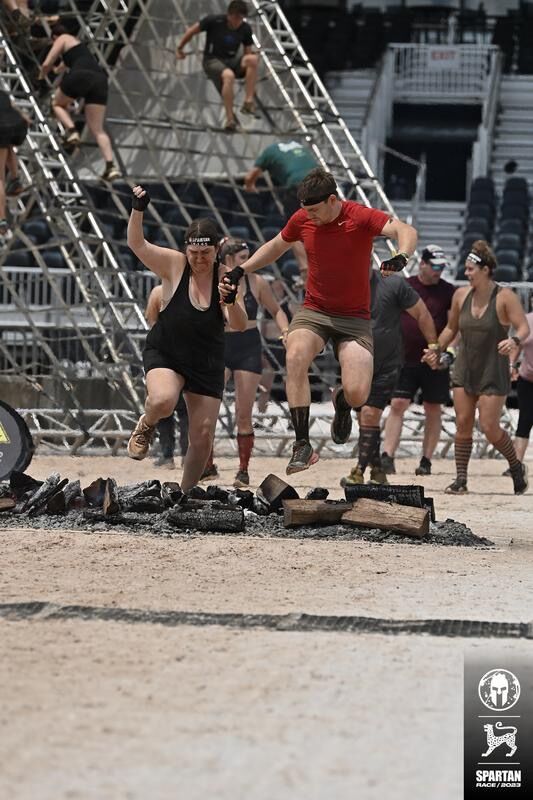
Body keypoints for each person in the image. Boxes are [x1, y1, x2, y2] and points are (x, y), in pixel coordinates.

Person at [221, 167, 418, 475]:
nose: (309, 216)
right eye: (305, 211)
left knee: (358, 394)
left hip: (354, 319)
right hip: (315, 310)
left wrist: (402, 256)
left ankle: (341, 402)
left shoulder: (359, 216)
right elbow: (275, 246)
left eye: (314, 210)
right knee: (295, 354)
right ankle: (302, 445)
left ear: (331, 200)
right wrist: (240, 270)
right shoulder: (303, 219)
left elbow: (406, 231)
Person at [126, 186, 248, 492]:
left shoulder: (227, 276)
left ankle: (184, 493)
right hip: (167, 352)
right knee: (163, 401)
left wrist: (230, 300)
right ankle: (146, 424)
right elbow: (136, 243)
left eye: (205, 253)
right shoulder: (174, 263)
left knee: (203, 434)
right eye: (193, 253)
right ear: (185, 249)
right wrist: (137, 209)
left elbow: (239, 324)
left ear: (218, 248)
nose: (199, 259)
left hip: (205, 361)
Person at [431, 241, 529, 495]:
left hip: (492, 370)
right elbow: (451, 329)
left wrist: (514, 341)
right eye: (466, 268)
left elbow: (523, 328)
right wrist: (435, 349)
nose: (466, 273)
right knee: (462, 423)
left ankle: (516, 466)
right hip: (465, 367)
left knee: (489, 427)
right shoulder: (461, 295)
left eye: (471, 268)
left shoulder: (505, 297)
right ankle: (461, 479)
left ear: (485, 270)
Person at [340, 266, 439, 486]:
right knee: (364, 420)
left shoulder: (393, 283)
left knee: (368, 415)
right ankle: (378, 471)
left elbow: (422, 314)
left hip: (387, 363)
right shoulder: (343, 285)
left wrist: (433, 345)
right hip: (355, 362)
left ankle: (358, 472)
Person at [219, 238, 290, 487]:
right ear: (228, 260)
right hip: (220, 343)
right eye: (242, 258)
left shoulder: (256, 281)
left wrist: (286, 332)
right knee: (205, 409)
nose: (248, 262)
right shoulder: (213, 280)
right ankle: (206, 463)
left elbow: (276, 310)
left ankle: (243, 469)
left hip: (248, 343)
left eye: (249, 257)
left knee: (244, 412)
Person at [381, 244, 456, 476]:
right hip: (405, 357)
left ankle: (426, 460)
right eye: (434, 266)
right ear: (422, 264)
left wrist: (446, 353)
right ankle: (387, 455)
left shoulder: (449, 291)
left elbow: (455, 327)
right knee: (398, 404)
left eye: (442, 267)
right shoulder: (407, 285)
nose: (438, 271)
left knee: (433, 408)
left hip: (434, 358)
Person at [39, 24, 120, 182]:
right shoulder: (78, 46)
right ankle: (110, 167)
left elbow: (47, 63)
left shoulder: (62, 38)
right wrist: (55, 70)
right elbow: (58, 68)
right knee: (97, 129)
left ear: (54, 37)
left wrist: (40, 76)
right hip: (100, 80)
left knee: (57, 103)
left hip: (81, 75)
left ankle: (71, 131)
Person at [176, 0, 259, 133]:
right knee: (228, 75)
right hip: (212, 60)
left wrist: (251, 78)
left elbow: (247, 53)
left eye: (241, 18)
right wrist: (180, 48)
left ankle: (248, 102)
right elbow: (191, 31)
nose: (238, 22)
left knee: (253, 59)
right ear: (229, 15)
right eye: (236, 18)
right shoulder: (214, 21)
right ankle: (230, 119)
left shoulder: (245, 28)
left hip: (231, 61)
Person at [245, 138, 317, 279]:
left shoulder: (269, 152)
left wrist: (249, 187)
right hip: (321, 182)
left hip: (298, 184)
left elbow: (249, 177)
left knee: (293, 228)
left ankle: (305, 268)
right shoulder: (300, 146)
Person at [144, 284, 190, 469]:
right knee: (177, 409)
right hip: (176, 353)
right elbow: (152, 321)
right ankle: (175, 454)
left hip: (176, 353)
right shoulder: (160, 292)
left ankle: (171, 455)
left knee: (176, 410)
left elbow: (152, 322)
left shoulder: (159, 291)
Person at [504, 309, 533, 473]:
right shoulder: (526, 321)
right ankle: (515, 465)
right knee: (525, 420)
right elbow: (517, 345)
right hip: (527, 379)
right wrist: (511, 365)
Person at [0, 89, 28, 239]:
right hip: (17, 125)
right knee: (8, 145)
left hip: (2, 128)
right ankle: (16, 178)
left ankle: (1, 219)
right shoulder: (3, 94)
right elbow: (18, 112)